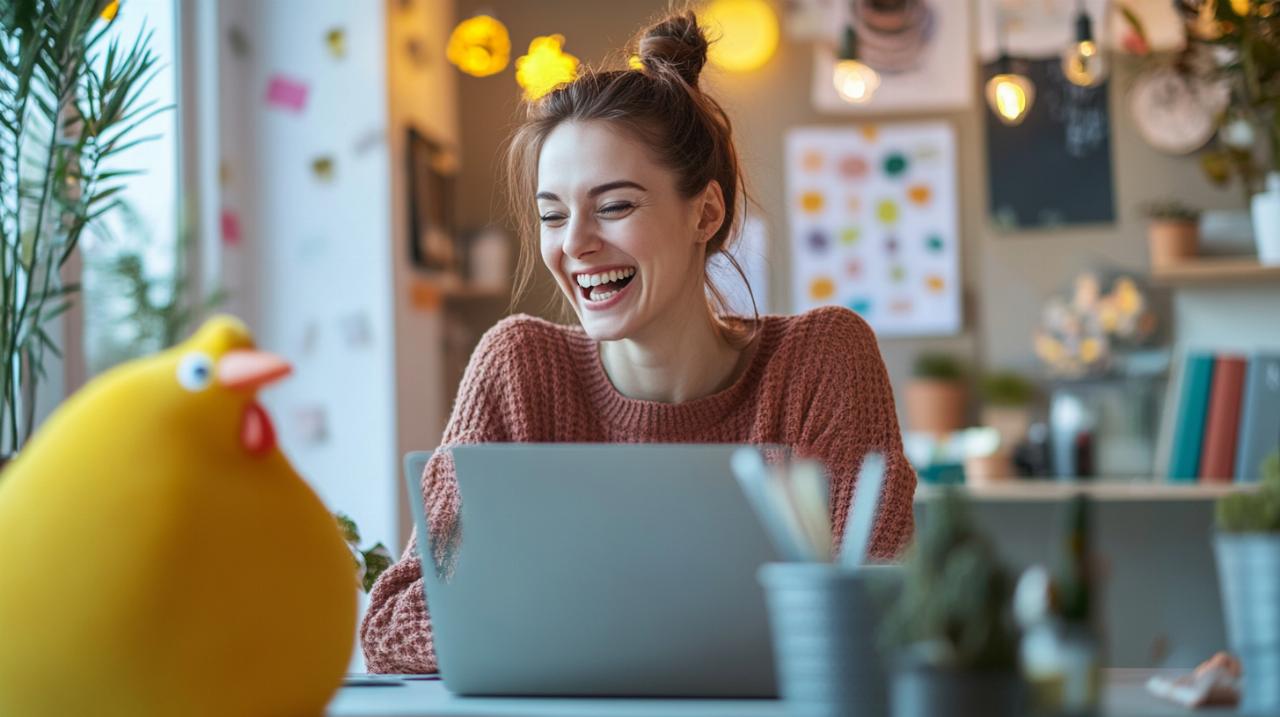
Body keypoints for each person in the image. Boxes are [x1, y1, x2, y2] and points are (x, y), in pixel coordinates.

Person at [360, 10, 916, 674]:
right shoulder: (518, 365)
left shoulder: (822, 360)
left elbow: (889, 605)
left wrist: (559, 621)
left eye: (615, 205)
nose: (574, 244)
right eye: (552, 215)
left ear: (705, 213)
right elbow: (395, 620)